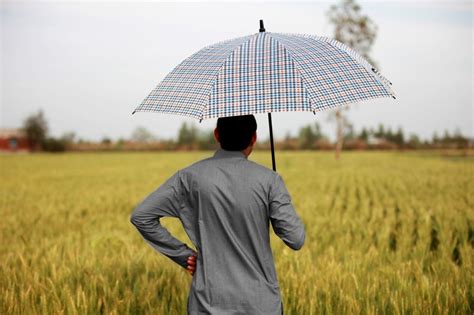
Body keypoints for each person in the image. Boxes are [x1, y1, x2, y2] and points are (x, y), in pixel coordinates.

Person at [130, 114, 306, 315]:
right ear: (254, 138)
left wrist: (185, 256)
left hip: (207, 304)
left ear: (216, 135)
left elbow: (141, 216)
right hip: (260, 303)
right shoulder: (270, 180)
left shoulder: (188, 177)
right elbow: (296, 239)